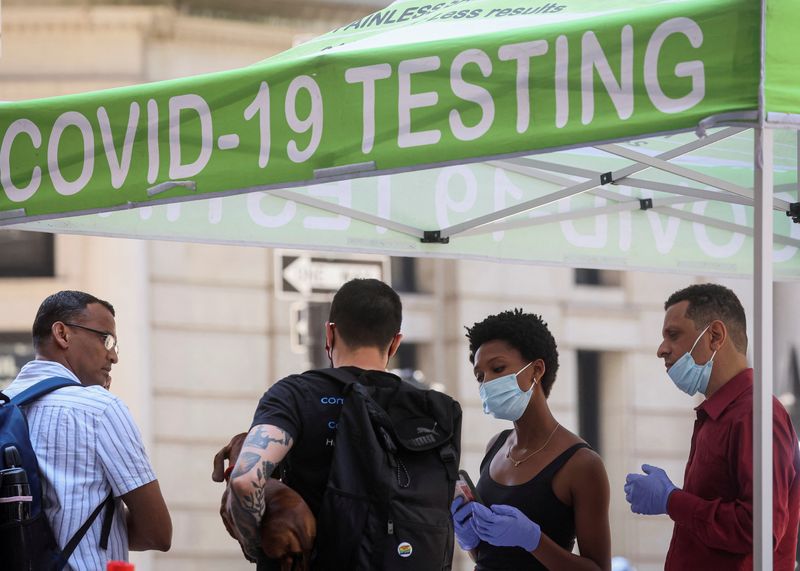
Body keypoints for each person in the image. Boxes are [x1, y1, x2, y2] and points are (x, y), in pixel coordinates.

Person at [219, 278, 408, 567]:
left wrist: (256, 546)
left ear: (330, 334)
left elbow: (245, 480)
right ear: (395, 343)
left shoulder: (294, 394)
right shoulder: (427, 408)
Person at [624, 283, 800, 570]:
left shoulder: (756, 415)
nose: (661, 350)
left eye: (674, 335)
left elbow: (758, 530)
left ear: (715, 336)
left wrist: (672, 500)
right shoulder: (723, 415)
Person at [3, 290, 172, 569]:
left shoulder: (4, 406)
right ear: (62, 334)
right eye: (105, 339)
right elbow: (157, 532)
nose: (113, 356)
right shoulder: (99, 409)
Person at [452, 308, 611, 570]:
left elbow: (599, 568)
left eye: (498, 368)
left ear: (536, 370)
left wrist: (534, 540)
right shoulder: (496, 446)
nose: (487, 382)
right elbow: (491, 557)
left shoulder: (581, 464)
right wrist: (471, 541)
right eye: (480, 376)